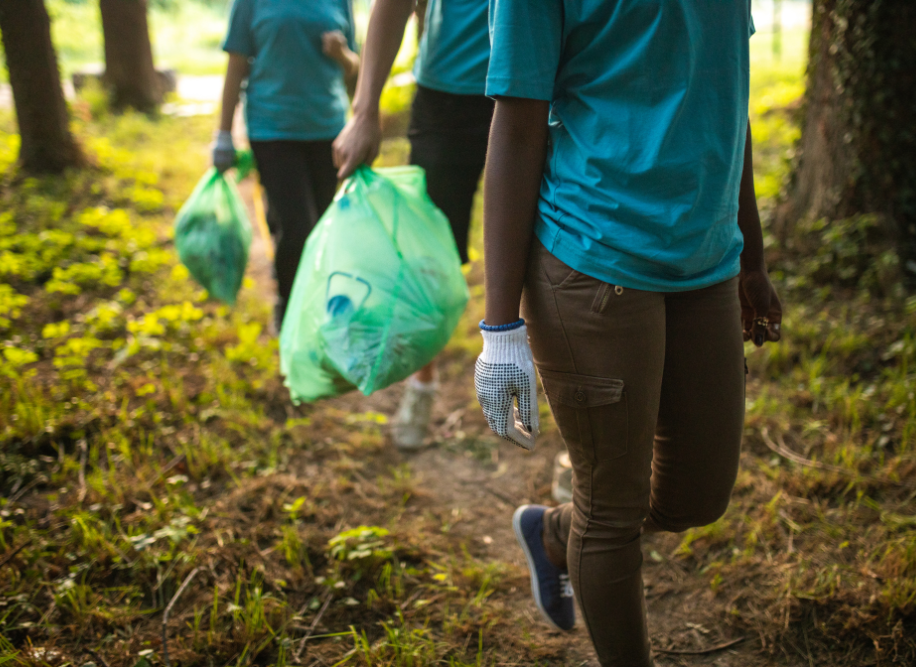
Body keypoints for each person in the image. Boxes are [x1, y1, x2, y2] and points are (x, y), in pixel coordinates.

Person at [474, 1, 783, 664]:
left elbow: (725, 97)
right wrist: (500, 327)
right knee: (612, 511)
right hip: (593, 254)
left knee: (699, 495)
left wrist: (752, 258)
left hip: (705, 262)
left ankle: (555, 533)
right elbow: (517, 126)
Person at [332, 0, 493, 449]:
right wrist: (364, 111)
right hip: (448, 93)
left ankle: (569, 419)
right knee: (429, 254)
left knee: (549, 254)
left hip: (542, 91)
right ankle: (422, 385)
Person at [212, 0, 360, 329]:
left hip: (328, 130)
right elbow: (236, 64)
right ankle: (290, 309)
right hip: (272, 129)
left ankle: (315, 303)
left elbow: (355, 67)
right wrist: (223, 133)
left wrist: (341, 54)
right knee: (298, 227)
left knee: (320, 226)